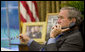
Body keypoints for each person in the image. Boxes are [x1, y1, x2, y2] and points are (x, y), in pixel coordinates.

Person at [19, 7, 84, 51]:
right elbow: (43, 49)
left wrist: (52, 37)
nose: (58, 21)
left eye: (61, 18)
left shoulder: (75, 38)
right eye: (58, 18)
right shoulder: (62, 32)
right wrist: (28, 40)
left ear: (72, 20)